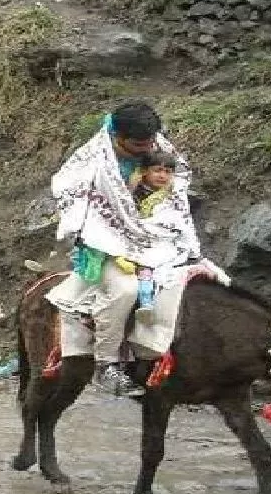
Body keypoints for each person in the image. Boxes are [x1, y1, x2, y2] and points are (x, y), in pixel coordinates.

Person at [46, 102, 199, 397]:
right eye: (139, 144)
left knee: (190, 280)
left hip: (156, 240)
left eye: (150, 142)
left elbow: (176, 189)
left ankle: (160, 353)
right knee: (126, 290)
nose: (147, 149)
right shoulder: (90, 164)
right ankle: (106, 364)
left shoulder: (157, 151)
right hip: (107, 246)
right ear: (117, 135)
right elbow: (76, 200)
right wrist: (110, 231)